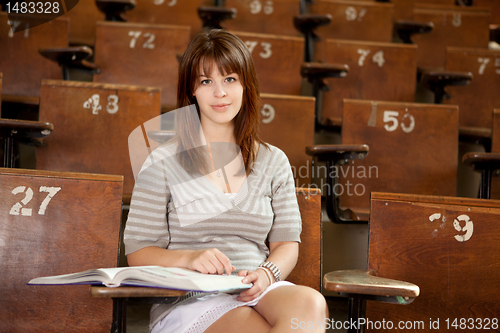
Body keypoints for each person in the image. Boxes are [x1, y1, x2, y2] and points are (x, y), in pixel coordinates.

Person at [124, 29, 328, 333]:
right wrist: (190, 257)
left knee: (311, 305)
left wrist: (267, 273)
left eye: (230, 79)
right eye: (207, 81)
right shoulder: (162, 162)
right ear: (191, 90)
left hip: (257, 288)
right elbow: (138, 253)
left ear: (246, 85)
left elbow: (286, 244)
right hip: (190, 298)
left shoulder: (274, 161)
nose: (220, 92)